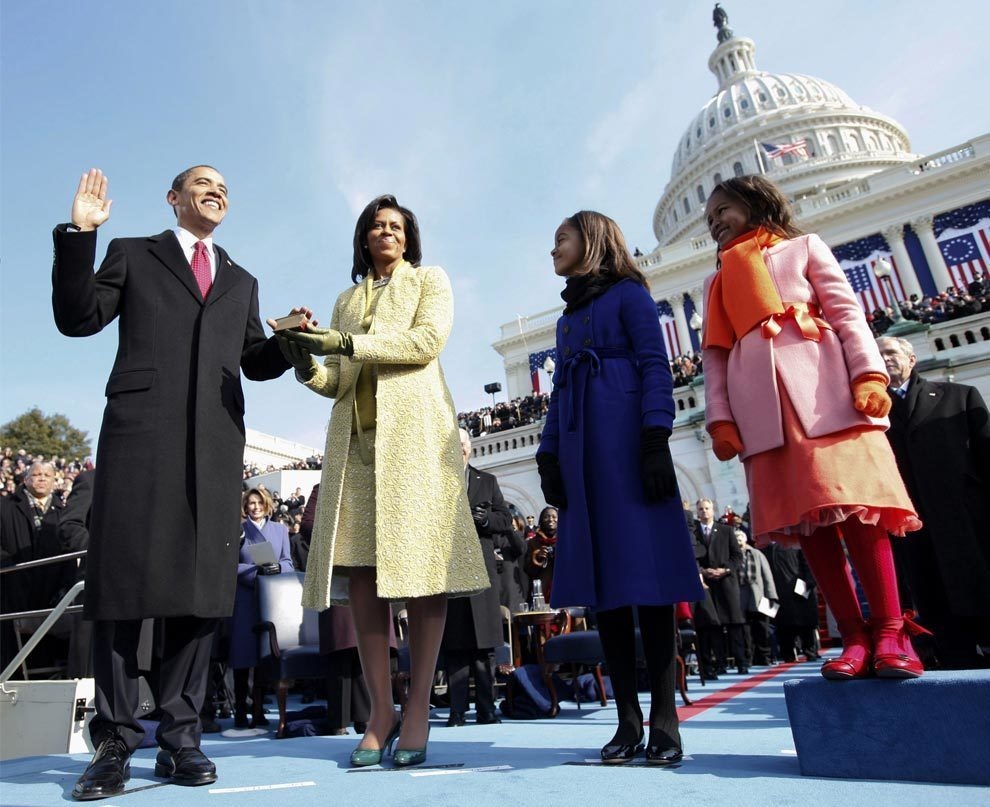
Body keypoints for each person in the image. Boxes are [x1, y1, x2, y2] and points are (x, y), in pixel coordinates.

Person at [51, 167, 291, 800]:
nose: (218, 191)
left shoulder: (240, 280)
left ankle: (181, 737)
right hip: (139, 439)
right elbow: (77, 318)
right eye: (204, 183)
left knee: (201, 591)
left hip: (214, 449)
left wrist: (288, 342)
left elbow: (256, 361)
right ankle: (115, 740)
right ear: (175, 197)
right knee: (125, 585)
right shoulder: (133, 253)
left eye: (225, 187)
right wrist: (80, 233)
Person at [274, 194, 487, 768]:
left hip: (416, 445)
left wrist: (343, 343)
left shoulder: (430, 282)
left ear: (408, 239)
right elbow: (337, 381)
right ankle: (380, 711)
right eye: (377, 226)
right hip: (357, 449)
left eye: (396, 226)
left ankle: (417, 706)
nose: (386, 232)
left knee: (422, 577)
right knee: (362, 579)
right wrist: (304, 358)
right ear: (364, 239)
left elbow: (424, 345)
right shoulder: (347, 300)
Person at [701, 175, 923, 682]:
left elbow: (847, 313)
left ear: (755, 204)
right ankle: (854, 637)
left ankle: (891, 631)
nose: (715, 222)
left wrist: (868, 373)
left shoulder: (804, 248)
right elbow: (714, 358)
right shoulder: (715, 282)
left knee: (861, 516)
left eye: (724, 210)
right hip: (766, 418)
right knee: (811, 529)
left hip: (827, 398)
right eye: (710, 217)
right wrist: (721, 418)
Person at [536, 210, 703, 765]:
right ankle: (626, 718)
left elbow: (656, 366)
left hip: (629, 450)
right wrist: (548, 452)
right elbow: (559, 392)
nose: (552, 249)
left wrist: (656, 437)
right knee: (603, 585)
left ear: (592, 239)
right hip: (583, 456)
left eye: (561, 238)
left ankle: (664, 717)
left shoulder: (631, 296)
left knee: (649, 583)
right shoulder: (566, 321)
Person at [877, 335, 990, 668]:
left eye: (891, 353)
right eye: (877, 354)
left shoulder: (959, 396)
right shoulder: (871, 415)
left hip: (968, 524)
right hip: (914, 531)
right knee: (940, 614)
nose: (884, 359)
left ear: (911, 358)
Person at [440, 429, 512, 726]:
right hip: (450, 568)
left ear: (470, 448)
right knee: (455, 646)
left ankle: (487, 710)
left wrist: (485, 520)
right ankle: (456, 711)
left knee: (484, 646)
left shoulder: (488, 481)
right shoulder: (437, 481)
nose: (459, 450)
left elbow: (505, 520)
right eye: (452, 446)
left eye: (462, 445)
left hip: (482, 570)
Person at [230, 488, 294, 727]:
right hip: (245, 597)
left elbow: (288, 561)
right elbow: (230, 565)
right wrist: (254, 571)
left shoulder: (279, 530)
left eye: (258, 502)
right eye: (250, 503)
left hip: (270, 598)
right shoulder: (240, 530)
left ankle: (258, 710)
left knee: (264, 655)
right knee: (242, 654)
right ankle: (239, 709)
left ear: (267, 504)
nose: (254, 507)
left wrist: (278, 568)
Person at [0, 461, 71, 672]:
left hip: (52, 594)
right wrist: (9, 565)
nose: (41, 478)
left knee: (48, 657)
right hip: (13, 591)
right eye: (36, 474)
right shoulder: (5, 507)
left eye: (47, 475)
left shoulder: (64, 512)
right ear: (26, 479)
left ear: (53, 480)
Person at [691, 498, 748, 675]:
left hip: (726, 582)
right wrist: (702, 570)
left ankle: (741, 662)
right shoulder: (693, 533)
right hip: (706, 584)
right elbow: (693, 557)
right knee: (711, 625)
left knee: (734, 624)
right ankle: (718, 664)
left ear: (713, 510)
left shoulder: (726, 530)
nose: (704, 512)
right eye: (700, 509)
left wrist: (724, 569)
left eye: (707, 508)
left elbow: (737, 557)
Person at [734, 529, 778, 667]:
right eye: (736, 537)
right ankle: (749, 658)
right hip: (740, 596)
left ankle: (764, 656)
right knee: (745, 630)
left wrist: (771, 595)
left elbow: (767, 575)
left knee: (762, 627)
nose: (739, 539)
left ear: (746, 539)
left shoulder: (756, 553)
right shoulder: (732, 556)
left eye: (741, 536)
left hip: (758, 595)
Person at [523, 506, 558, 604]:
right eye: (546, 516)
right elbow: (528, 570)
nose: (551, 519)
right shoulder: (533, 542)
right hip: (541, 591)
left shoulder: (566, 540)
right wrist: (538, 558)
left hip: (564, 587)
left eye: (554, 516)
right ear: (541, 520)